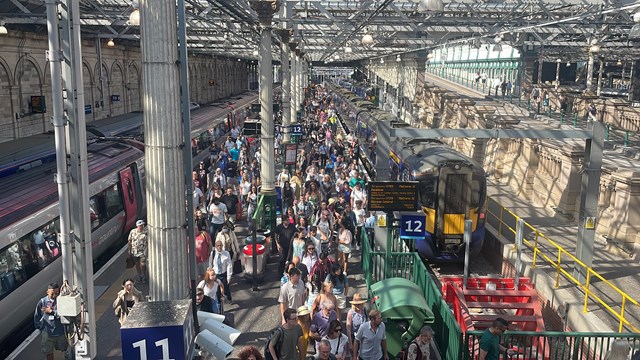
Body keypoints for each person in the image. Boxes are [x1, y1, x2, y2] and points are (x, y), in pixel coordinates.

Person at [34, 283, 68, 360]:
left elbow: (64, 314)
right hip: (47, 332)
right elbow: (37, 315)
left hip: (60, 331)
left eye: (57, 293)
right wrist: (40, 328)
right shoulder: (42, 302)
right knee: (48, 352)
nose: (55, 295)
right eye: (52, 293)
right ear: (47, 292)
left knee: (64, 348)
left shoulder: (61, 301)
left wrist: (52, 311)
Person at [128, 219, 148, 283]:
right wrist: (129, 250)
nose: (142, 226)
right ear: (137, 226)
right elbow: (129, 241)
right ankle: (140, 275)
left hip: (143, 252)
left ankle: (144, 275)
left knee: (143, 264)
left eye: (143, 225)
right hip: (134, 251)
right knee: (137, 264)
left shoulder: (146, 232)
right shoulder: (132, 232)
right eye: (140, 225)